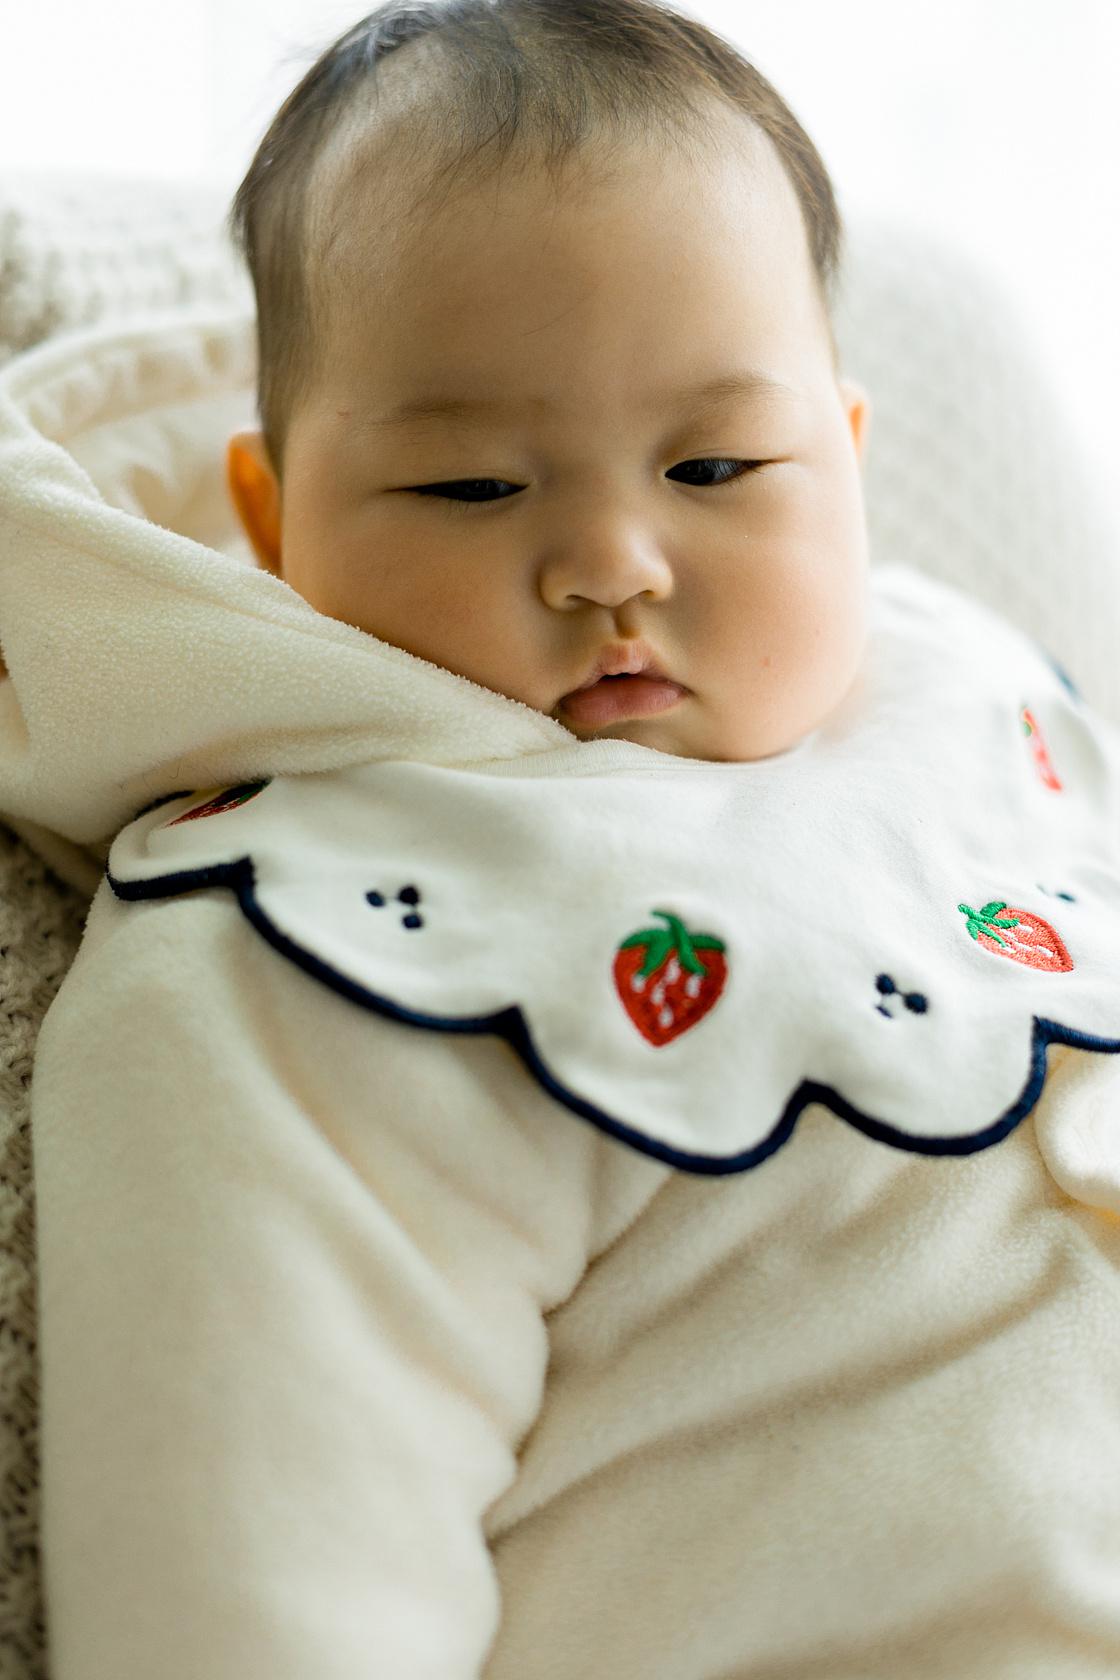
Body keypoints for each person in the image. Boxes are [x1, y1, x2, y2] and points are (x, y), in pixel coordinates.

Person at [7, 2, 1120, 1676]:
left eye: (718, 464)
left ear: (847, 460)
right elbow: (263, 1590)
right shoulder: (310, 942)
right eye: (471, 486)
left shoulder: (960, 695)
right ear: (273, 520)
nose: (613, 561)